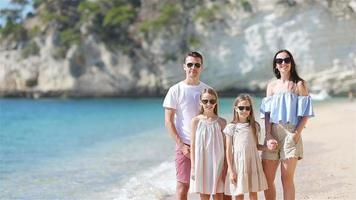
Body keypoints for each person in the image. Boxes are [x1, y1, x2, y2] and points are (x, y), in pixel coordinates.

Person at [260, 49, 314, 200]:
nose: (283, 63)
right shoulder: (271, 86)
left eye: (286, 60)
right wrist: (268, 135)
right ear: (275, 65)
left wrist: (295, 134)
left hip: (291, 133)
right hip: (272, 133)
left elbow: (306, 114)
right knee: (267, 180)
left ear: (291, 62)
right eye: (279, 61)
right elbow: (267, 114)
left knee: (286, 179)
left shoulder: (299, 84)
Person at [163, 51, 211, 200]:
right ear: (184, 67)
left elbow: (213, 119)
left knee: (205, 188)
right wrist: (182, 146)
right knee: (183, 187)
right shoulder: (175, 90)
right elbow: (168, 121)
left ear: (202, 67)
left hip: (205, 145)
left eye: (197, 65)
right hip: (184, 145)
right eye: (190, 64)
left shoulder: (207, 90)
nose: (193, 68)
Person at [224, 94, 268, 200]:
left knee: (253, 192)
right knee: (239, 192)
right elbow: (228, 150)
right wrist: (230, 170)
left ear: (250, 109)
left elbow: (256, 146)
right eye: (241, 108)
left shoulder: (254, 126)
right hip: (238, 163)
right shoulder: (231, 127)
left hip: (252, 162)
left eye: (247, 108)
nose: (244, 110)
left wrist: (268, 148)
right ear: (236, 108)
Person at [190, 88, 227, 200]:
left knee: (218, 195)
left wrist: (226, 166)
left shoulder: (222, 122)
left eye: (211, 101)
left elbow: (226, 147)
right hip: (202, 162)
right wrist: (193, 167)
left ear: (216, 102)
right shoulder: (196, 121)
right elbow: (193, 145)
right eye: (205, 101)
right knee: (204, 195)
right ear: (201, 102)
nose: (208, 104)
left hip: (218, 163)